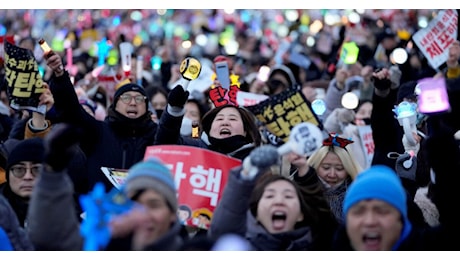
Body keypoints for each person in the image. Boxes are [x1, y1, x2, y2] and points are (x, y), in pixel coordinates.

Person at [44, 50, 158, 192]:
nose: (133, 103)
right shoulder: (98, 132)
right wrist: (60, 76)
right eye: (126, 98)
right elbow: (71, 110)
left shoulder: (155, 137)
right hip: (100, 211)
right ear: (114, 105)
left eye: (139, 99)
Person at [208, 145, 337, 250]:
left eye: (288, 196)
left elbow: (323, 218)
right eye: (270, 196)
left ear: (300, 215)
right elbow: (224, 230)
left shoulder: (317, 247)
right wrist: (247, 173)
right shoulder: (242, 248)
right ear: (256, 213)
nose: (279, 201)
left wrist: (304, 170)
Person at [155, 82, 261, 161]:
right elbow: (166, 143)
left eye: (232, 119)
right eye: (219, 119)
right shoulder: (196, 148)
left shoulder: (255, 160)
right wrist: (174, 111)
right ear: (209, 128)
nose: (225, 122)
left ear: (245, 130)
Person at [306, 133, 362, 225]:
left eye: (339, 168)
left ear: (349, 169)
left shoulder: (360, 196)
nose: (332, 174)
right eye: (326, 167)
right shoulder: (302, 193)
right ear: (315, 166)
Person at [0, 137, 45, 228]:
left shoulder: (74, 210)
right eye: (19, 169)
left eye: (37, 169)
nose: (27, 177)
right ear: (8, 175)